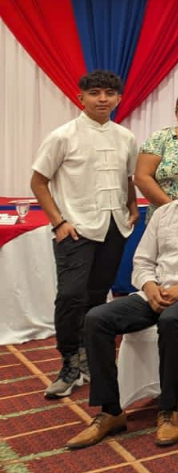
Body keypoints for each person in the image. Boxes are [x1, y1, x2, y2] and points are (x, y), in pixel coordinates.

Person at [66, 148, 178, 449]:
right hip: (158, 291)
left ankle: (168, 410)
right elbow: (142, 261)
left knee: (172, 320)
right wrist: (149, 286)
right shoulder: (164, 213)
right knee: (97, 318)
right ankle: (110, 411)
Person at [31, 71, 140, 400]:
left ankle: (91, 358)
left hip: (114, 227)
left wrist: (131, 205)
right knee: (70, 296)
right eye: (95, 93)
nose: (102, 99)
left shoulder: (126, 137)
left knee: (97, 297)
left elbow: (128, 178)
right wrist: (58, 222)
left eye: (109, 93)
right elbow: (38, 181)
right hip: (75, 229)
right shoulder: (62, 136)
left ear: (118, 98)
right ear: (81, 97)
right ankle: (68, 362)